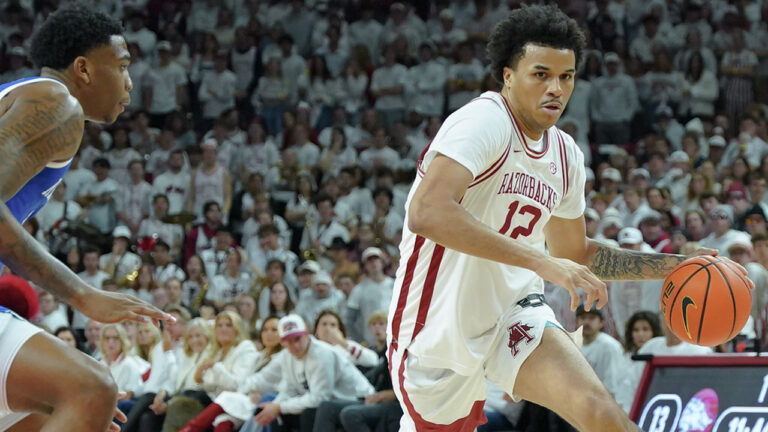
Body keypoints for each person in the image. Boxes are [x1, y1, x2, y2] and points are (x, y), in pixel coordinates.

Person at [386, 5, 753, 432]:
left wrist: (676, 267)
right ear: (508, 76)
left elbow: (574, 253)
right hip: (437, 322)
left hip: (513, 311)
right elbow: (426, 212)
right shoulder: (484, 121)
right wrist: (542, 262)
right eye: (540, 74)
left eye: (567, 76)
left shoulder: (565, 155)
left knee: (600, 412)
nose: (556, 89)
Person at [0, 4, 172, 432]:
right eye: (123, 66)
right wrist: (81, 294)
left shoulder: (18, 93)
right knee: (91, 389)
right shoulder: (56, 104)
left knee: (47, 416)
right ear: (84, 68)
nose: (130, 83)